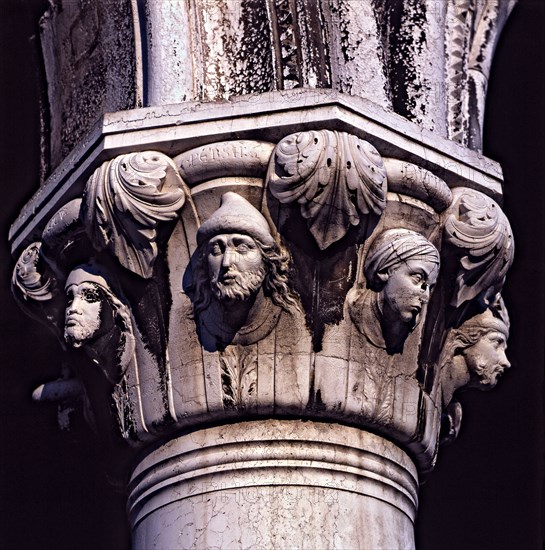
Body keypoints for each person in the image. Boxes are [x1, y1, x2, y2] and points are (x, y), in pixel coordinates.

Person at [189, 192, 298, 350]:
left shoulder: (292, 321)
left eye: (242, 247)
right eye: (217, 250)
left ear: (267, 260)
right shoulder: (193, 322)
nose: (226, 263)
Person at [349, 228, 440, 353]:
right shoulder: (349, 314)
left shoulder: (413, 329)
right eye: (417, 278)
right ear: (384, 270)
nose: (425, 297)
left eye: (429, 286)